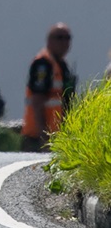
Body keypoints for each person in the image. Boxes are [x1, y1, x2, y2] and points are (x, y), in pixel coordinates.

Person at [21, 22, 77, 152]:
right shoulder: (43, 64)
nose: (64, 42)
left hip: (56, 137)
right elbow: (37, 101)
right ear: (49, 41)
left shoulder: (62, 65)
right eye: (59, 37)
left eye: (67, 37)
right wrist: (44, 136)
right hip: (37, 137)